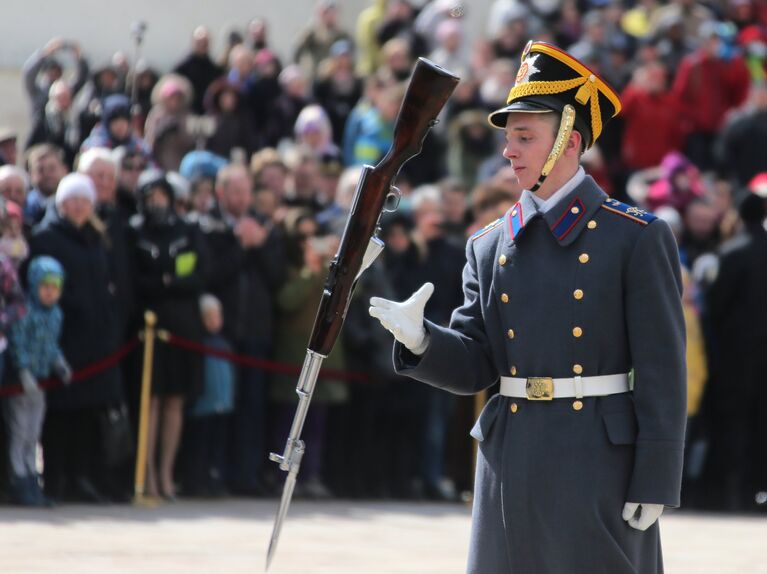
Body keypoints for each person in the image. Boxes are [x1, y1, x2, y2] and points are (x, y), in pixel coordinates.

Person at [370, 41, 686, 573]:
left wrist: (656, 476)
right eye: (508, 137)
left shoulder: (635, 238)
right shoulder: (489, 245)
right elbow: (477, 363)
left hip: (598, 459)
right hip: (511, 457)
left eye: (525, 136)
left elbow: (662, 369)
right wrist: (422, 339)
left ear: (570, 140)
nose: (509, 151)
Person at [27, 173, 124, 503]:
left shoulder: (97, 238)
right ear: (62, 203)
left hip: (96, 342)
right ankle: (56, 477)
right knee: (61, 414)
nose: (80, 206)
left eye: (85, 201)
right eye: (73, 200)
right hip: (64, 338)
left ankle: (82, 476)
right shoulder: (46, 238)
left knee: (87, 414)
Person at [129, 170, 208, 500]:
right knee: (152, 402)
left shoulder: (187, 230)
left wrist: (168, 282)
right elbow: (136, 279)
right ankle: (144, 475)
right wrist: (169, 281)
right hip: (148, 330)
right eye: (150, 197)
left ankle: (165, 473)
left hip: (182, 328)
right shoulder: (134, 232)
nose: (156, 203)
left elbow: (199, 274)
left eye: (161, 196)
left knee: (176, 401)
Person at [4, 256, 71, 506]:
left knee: (34, 433)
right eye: (45, 286)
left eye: (56, 287)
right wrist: (22, 371)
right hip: (22, 383)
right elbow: (18, 344)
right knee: (19, 431)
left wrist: (59, 364)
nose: (50, 292)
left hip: (41, 383)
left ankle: (32, 479)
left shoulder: (56, 315)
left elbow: (51, 346)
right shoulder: (25, 312)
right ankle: (18, 479)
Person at [183, 294, 235, 497]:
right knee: (199, 444)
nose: (215, 321)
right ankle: (195, 480)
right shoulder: (198, 343)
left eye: (217, 317)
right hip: (203, 405)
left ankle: (214, 479)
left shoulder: (224, 344)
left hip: (222, 404)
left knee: (217, 446)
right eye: (209, 317)